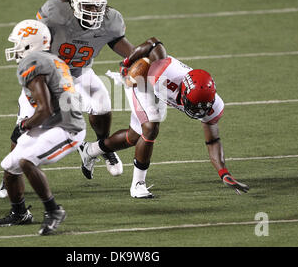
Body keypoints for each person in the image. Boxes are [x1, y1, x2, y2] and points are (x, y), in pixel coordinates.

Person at [0, 0, 135, 198]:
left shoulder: (110, 21)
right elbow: (36, 38)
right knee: (25, 123)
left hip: (80, 73)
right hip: (48, 76)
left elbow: (125, 47)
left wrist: (139, 60)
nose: (95, 11)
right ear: (74, 3)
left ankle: (101, 147)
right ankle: (11, 175)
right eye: (89, 6)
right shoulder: (55, 14)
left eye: (99, 6)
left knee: (102, 103)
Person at [79, 37, 250, 198]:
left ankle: (91, 150)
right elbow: (154, 44)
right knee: (150, 128)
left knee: (134, 137)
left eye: (202, 107)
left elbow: (213, 140)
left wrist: (224, 173)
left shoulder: (212, 105)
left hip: (159, 91)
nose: (198, 111)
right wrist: (128, 63)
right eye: (193, 105)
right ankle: (138, 184)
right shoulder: (163, 74)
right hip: (144, 81)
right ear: (183, 92)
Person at [0, 19, 86, 235]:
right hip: (53, 121)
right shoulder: (50, 59)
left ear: (29, 44)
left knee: (27, 161)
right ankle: (20, 213)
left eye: (18, 43)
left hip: (67, 127)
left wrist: (24, 125)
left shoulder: (33, 62)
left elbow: (44, 109)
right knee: (10, 165)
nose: (15, 48)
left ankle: (54, 211)